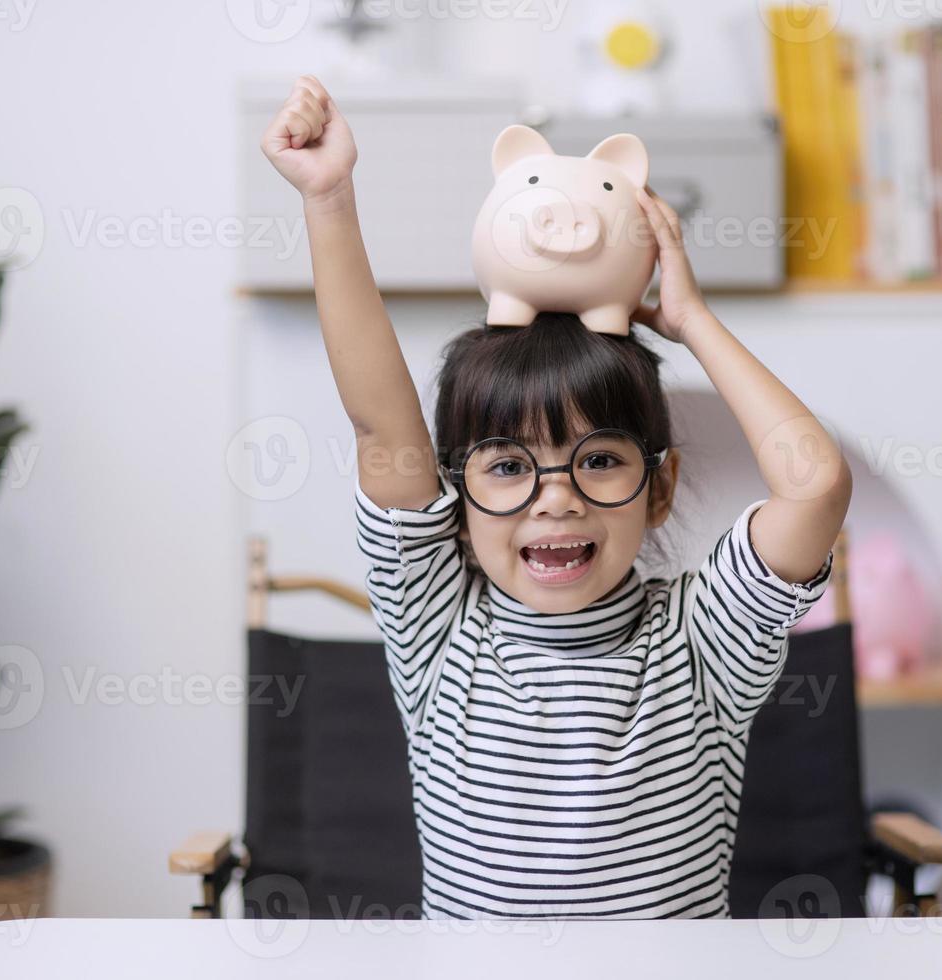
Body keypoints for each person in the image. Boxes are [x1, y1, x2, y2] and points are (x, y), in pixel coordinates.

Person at [261, 75, 852, 919]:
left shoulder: (703, 640)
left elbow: (816, 481)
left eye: (600, 461)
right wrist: (328, 197)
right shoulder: (437, 629)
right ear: (455, 496)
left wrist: (688, 320)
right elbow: (379, 425)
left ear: (661, 488)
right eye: (506, 467)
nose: (556, 500)